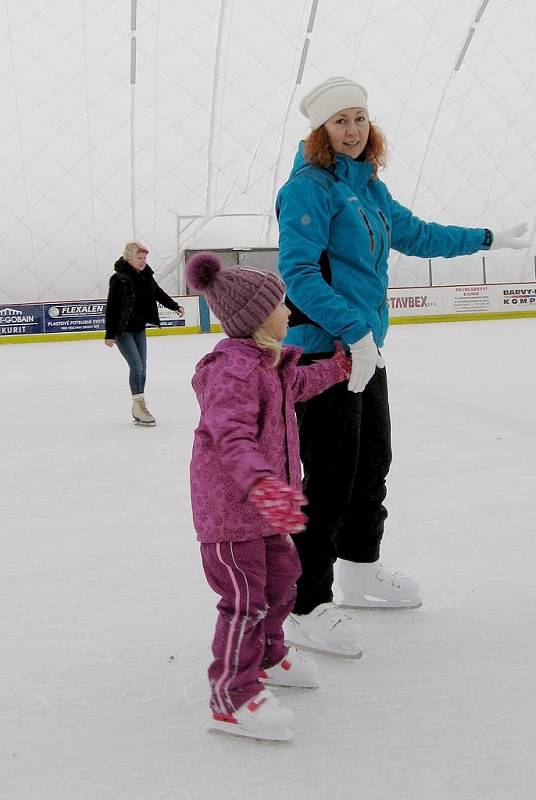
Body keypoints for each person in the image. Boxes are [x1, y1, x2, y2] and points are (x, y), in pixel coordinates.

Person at [275, 76, 530, 657]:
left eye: (360, 117)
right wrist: (355, 334)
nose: (354, 129)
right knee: (329, 477)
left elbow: (416, 234)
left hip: (367, 351)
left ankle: (361, 570)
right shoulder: (307, 189)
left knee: (371, 466)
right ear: (320, 130)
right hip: (325, 351)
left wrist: (486, 237)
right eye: (340, 120)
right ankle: (306, 603)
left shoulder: (368, 188)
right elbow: (299, 272)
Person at [185, 251, 352, 742]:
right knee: (245, 599)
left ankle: (269, 655)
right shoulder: (232, 372)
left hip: (263, 510)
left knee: (284, 578)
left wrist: (340, 366)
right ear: (259, 317)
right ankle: (231, 696)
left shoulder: (268, 364)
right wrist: (264, 486)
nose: (290, 312)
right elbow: (229, 437)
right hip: (232, 513)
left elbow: (297, 384)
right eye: (282, 305)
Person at [104, 241, 184, 425]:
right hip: (122, 331)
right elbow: (112, 308)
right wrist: (109, 334)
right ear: (129, 258)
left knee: (143, 368)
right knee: (137, 367)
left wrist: (174, 306)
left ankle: (138, 405)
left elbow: (158, 293)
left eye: (144, 258)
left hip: (139, 329)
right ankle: (139, 406)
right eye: (139, 258)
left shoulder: (146, 275)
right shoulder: (119, 279)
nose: (142, 261)